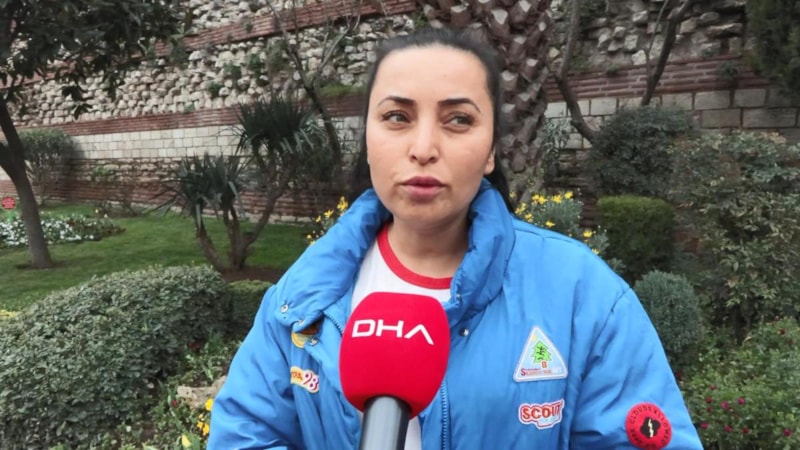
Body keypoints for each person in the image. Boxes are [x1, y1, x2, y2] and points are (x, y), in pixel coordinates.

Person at [209, 26, 703, 449]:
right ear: (368, 140)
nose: (423, 148)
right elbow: (245, 433)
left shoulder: (582, 294)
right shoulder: (302, 298)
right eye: (397, 117)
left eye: (459, 120)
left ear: (490, 152)